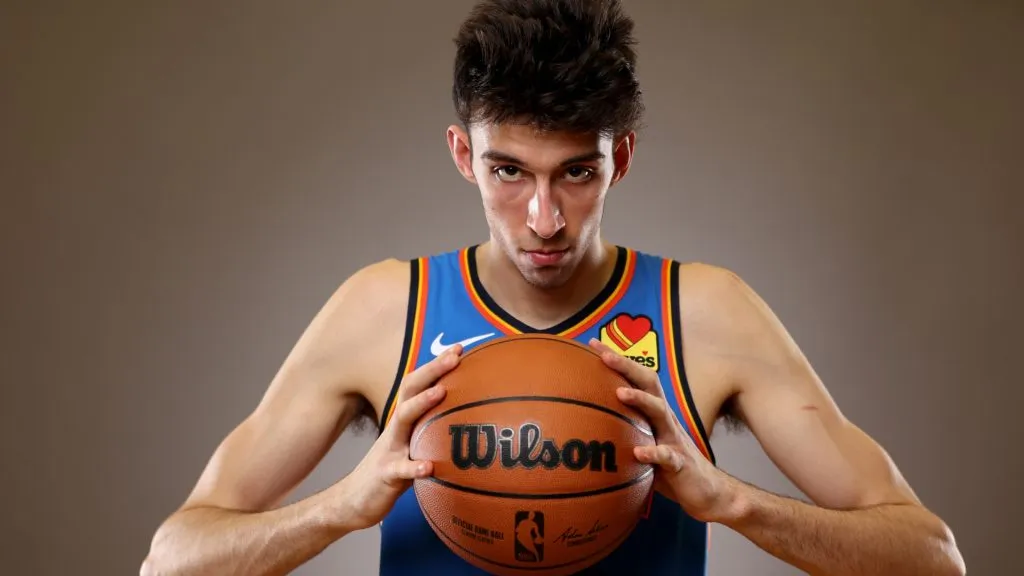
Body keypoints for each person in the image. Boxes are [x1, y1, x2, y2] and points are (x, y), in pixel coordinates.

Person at [140, 1, 966, 574]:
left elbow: (930, 558)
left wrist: (732, 502)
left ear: (623, 159)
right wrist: (343, 507)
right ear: (464, 155)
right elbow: (172, 560)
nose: (543, 217)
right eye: (508, 171)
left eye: (577, 172)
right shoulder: (385, 310)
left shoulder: (703, 313)